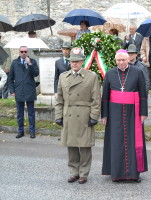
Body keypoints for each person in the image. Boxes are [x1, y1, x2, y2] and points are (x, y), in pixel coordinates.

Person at [55, 47, 101, 184]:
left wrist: (94, 116)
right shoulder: (63, 77)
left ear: (82, 61)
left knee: (85, 146)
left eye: (77, 61)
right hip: (68, 114)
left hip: (84, 116)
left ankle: (84, 173)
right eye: (72, 61)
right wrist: (58, 115)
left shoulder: (91, 77)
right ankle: (73, 172)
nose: (74, 64)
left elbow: (96, 99)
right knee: (72, 146)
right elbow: (59, 99)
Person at [101, 49, 148, 182]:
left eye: (123, 60)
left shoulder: (138, 72)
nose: (121, 62)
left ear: (128, 60)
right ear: (115, 61)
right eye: (118, 60)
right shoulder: (110, 74)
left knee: (133, 141)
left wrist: (143, 113)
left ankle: (134, 173)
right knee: (116, 142)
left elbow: (143, 93)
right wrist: (104, 115)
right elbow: (105, 96)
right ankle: (116, 173)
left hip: (133, 112)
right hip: (114, 112)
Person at [8, 46, 39, 139]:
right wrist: (12, 90)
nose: (23, 53)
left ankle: (32, 131)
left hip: (29, 90)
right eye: (22, 51)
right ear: (19, 52)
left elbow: (36, 73)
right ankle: (20, 131)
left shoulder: (32, 61)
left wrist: (29, 64)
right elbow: (10, 79)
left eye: (25, 51)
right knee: (20, 113)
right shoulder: (14, 63)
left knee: (31, 113)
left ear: (28, 52)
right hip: (19, 91)